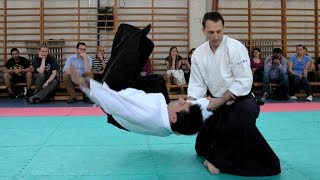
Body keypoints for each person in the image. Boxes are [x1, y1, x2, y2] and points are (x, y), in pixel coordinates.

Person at [69, 23, 207, 136]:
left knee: (126, 54)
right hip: (133, 95)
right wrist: (219, 99)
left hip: (116, 91)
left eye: (182, 104)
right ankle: (140, 41)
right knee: (157, 81)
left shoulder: (146, 111)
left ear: (173, 117)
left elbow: (111, 101)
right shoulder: (177, 126)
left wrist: (82, 83)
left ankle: (135, 37)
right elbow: (202, 106)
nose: (182, 99)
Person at [187, 11, 281, 176]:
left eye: (219, 31)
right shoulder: (198, 54)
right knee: (201, 147)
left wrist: (222, 99)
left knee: (238, 120)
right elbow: (197, 83)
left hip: (241, 100)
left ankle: (215, 159)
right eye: (210, 32)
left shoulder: (235, 47)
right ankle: (214, 150)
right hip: (216, 102)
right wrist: (190, 103)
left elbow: (244, 79)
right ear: (203, 30)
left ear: (223, 28)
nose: (215, 36)